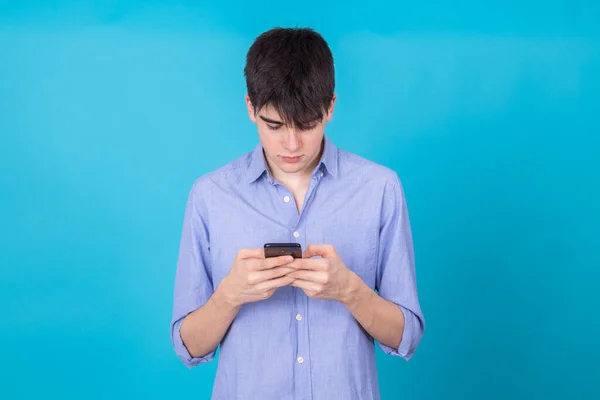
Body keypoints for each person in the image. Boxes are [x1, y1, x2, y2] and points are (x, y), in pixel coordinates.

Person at [170, 26, 425, 400]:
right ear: (250, 109)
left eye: (307, 125)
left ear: (331, 108)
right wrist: (230, 295)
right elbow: (188, 347)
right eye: (274, 126)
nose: (291, 144)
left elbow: (407, 336)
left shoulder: (379, 189)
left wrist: (350, 291)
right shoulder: (210, 195)